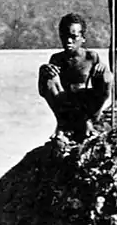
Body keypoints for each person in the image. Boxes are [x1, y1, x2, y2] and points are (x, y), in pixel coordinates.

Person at [37, 12, 110, 141]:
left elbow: (103, 88)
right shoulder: (56, 59)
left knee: (105, 74)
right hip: (65, 108)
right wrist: (44, 70)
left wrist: (104, 70)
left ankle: (88, 123)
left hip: (87, 108)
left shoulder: (91, 57)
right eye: (64, 36)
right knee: (47, 75)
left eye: (73, 37)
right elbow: (48, 89)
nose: (68, 41)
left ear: (83, 38)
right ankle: (62, 125)